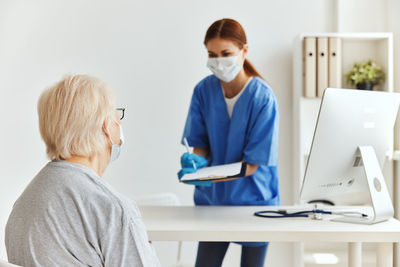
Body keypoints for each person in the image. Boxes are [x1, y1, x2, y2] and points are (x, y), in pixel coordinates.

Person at [5, 74, 160, 267]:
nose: (119, 124)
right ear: (106, 126)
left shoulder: (23, 205)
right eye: (116, 115)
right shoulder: (112, 210)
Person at [178, 18, 280, 267]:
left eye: (226, 53)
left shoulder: (263, 98)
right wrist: (197, 161)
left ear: (244, 51)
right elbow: (200, 142)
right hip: (213, 202)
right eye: (212, 54)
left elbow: (253, 164)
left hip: (254, 201)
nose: (218, 61)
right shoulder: (203, 91)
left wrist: (208, 175)